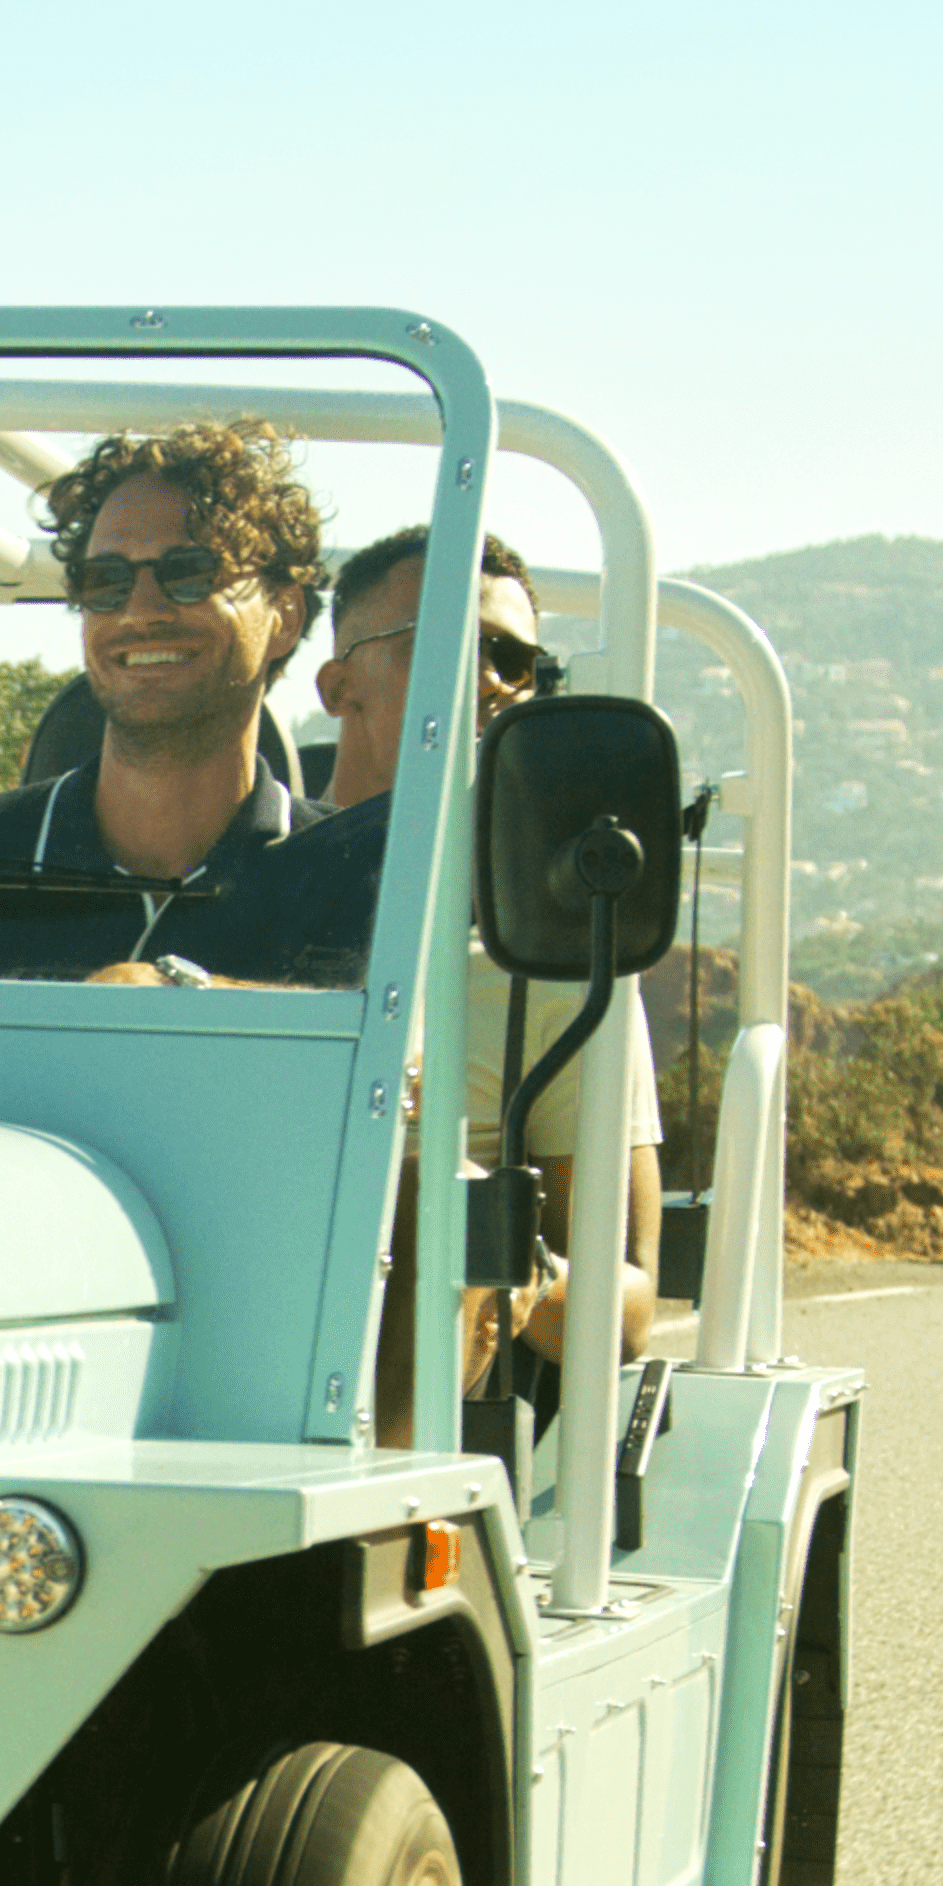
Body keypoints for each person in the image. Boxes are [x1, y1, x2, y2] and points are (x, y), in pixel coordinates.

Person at [0, 421, 378, 988]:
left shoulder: (364, 877)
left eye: (190, 573)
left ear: (285, 615)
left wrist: (190, 999)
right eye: (105, 579)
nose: (140, 609)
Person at [321, 525, 660, 1381]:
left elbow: (623, 1309)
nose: (486, 681)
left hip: (435, 1396)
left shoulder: (548, 955)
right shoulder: (240, 885)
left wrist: (471, 1243)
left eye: (515, 662)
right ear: (337, 685)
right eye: (441, 644)